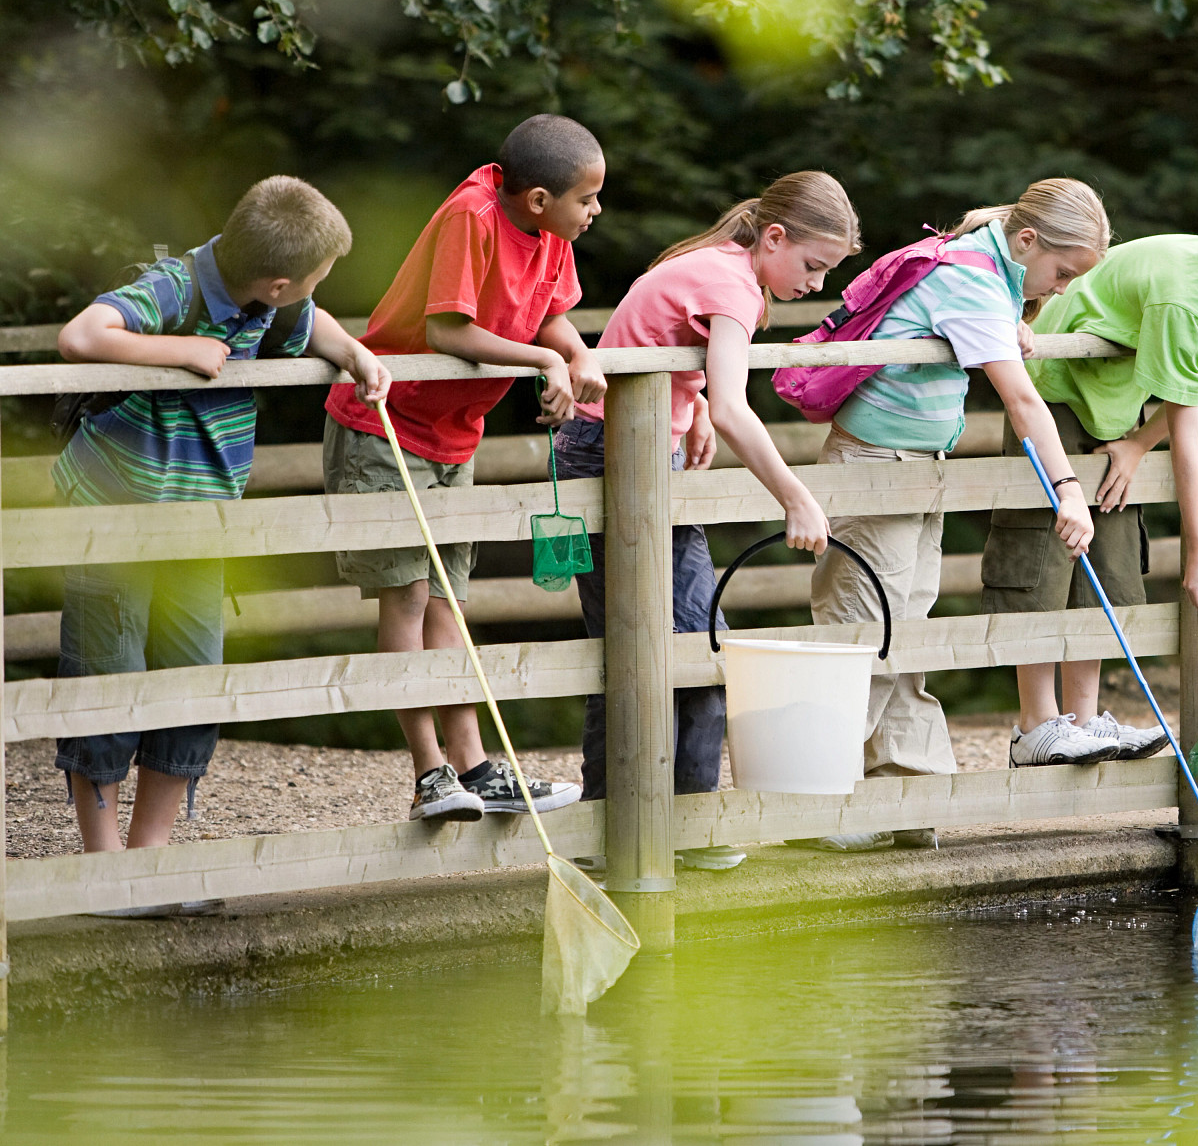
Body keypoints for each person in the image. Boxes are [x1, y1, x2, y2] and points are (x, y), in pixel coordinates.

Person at [51, 176, 390, 894]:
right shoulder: (176, 287)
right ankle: (104, 864)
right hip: (114, 510)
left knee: (196, 678)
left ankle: (153, 857)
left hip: (198, 520)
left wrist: (355, 353)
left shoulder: (274, 302)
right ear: (276, 281)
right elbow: (80, 335)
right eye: (317, 279)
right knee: (108, 672)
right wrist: (179, 349)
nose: (318, 291)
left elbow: (316, 323)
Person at [554, 171, 861, 871]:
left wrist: (685, 412)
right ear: (774, 237)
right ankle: (650, 821)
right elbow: (733, 405)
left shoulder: (721, 265)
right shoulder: (732, 284)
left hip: (629, 446)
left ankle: (652, 818)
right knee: (664, 644)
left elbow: (672, 355)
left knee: (665, 642)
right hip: (609, 451)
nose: (815, 284)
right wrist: (796, 495)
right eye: (812, 265)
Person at [792, 178, 1110, 853]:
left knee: (908, 628)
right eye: (1059, 274)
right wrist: (1068, 486)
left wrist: (1015, 314)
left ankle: (909, 785)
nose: (1057, 289)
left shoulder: (988, 269)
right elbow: (1023, 403)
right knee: (861, 628)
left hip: (918, 465)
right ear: (1026, 241)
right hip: (876, 465)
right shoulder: (972, 277)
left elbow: (981, 316)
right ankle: (825, 803)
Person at [322, 114, 606, 822]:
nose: (596, 210)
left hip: (454, 434)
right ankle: (430, 776)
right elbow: (449, 329)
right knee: (409, 598)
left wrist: (578, 354)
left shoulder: (551, 236)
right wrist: (547, 360)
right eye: (588, 198)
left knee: (449, 600)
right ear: (538, 198)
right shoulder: (471, 217)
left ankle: (476, 767)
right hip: (385, 423)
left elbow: (548, 316)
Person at [988, 178, 1198, 766]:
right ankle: (1036, 727)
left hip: (1116, 401)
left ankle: (1086, 719)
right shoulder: (1184, 291)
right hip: (1053, 388)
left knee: (1108, 553)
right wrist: (1197, 544)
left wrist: (1137, 445)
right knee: (1044, 552)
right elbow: (1188, 413)